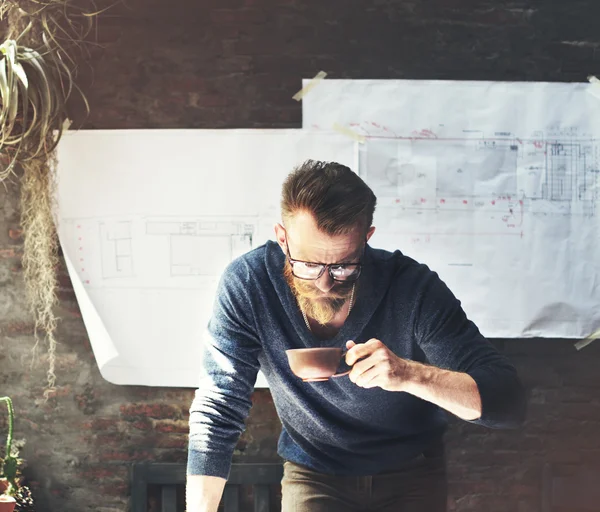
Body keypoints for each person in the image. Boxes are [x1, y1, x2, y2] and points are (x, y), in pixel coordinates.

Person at [186, 160, 526, 512]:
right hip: (313, 470)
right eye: (308, 265)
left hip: (412, 469)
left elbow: (508, 402)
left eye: (344, 265)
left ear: (367, 238)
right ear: (282, 237)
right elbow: (220, 404)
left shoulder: (412, 287)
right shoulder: (248, 284)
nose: (325, 283)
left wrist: (411, 374)